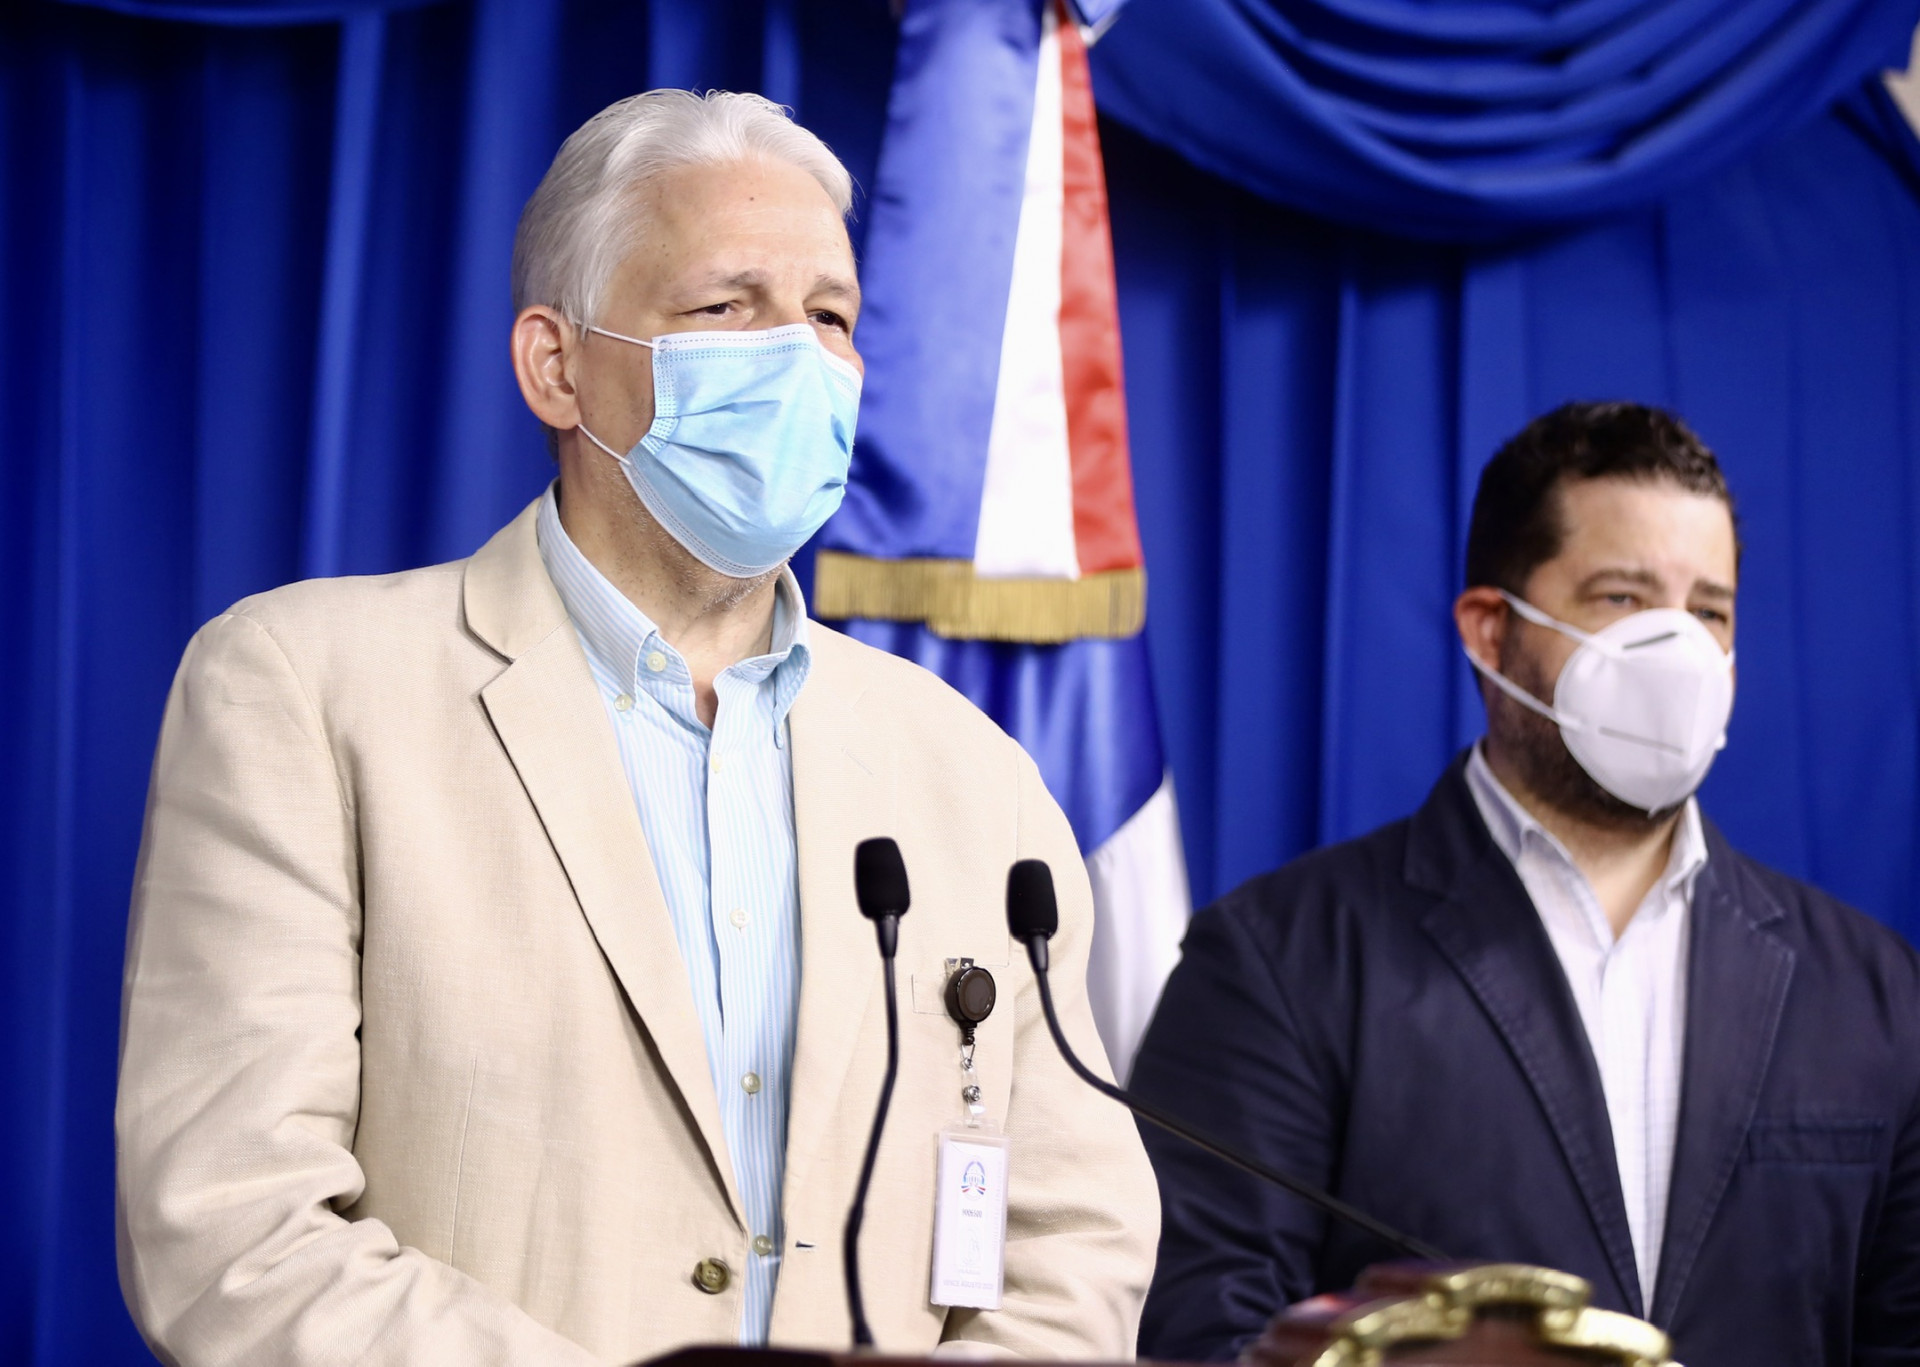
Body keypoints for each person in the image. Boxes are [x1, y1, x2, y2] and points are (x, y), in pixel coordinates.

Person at [116, 91, 1156, 1367]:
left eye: (830, 317)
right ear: (557, 367)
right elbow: (235, 1230)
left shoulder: (973, 772)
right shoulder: (302, 688)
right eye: (727, 307)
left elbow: (1072, 1244)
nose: (798, 358)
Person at [1131, 402, 1920, 1366]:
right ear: (1491, 631)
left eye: (1709, 611)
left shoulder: (1876, 991)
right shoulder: (1278, 963)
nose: (1678, 651)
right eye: (1624, 597)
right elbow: (1209, 1335)